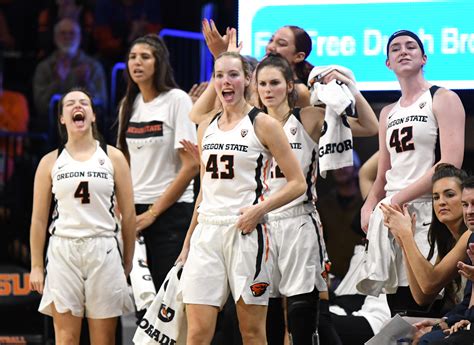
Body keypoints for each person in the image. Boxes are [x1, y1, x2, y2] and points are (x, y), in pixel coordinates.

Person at [177, 51, 307, 345]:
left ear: (248, 79)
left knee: (251, 333)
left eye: (233, 74)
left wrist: (259, 210)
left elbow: (297, 183)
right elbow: (204, 191)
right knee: (196, 333)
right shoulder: (205, 126)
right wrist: (187, 243)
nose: (226, 81)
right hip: (207, 232)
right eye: (219, 75)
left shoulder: (264, 124)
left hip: (246, 232)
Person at [253, 53, 378, 344]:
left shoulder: (308, 117)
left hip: (299, 221)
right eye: (262, 83)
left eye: (275, 82)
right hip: (260, 225)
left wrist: (352, 87)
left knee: (302, 318)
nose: (268, 89)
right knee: (266, 316)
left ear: (289, 86)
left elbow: (370, 127)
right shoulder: (250, 122)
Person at [359, 29, 465, 314]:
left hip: (429, 210)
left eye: (410, 47)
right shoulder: (387, 112)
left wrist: (397, 199)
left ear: (424, 58)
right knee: (399, 309)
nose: (403, 51)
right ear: (387, 63)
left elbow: (450, 164)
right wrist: (369, 205)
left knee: (428, 303)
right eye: (395, 48)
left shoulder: (442, 97)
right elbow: (383, 173)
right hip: (394, 213)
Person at [29, 88, 135, 343]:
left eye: (84, 103)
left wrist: (128, 260)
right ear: (62, 119)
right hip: (63, 249)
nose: (78, 106)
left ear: (93, 115)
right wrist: (36, 266)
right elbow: (38, 219)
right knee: (65, 339)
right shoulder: (50, 162)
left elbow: (129, 215)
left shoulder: (113, 157)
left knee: (104, 340)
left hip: (104, 248)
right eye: (71, 104)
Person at [116, 34, 199, 292]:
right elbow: (123, 164)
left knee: (170, 301)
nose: (136, 62)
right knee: (143, 302)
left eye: (145, 57)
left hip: (170, 213)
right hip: (135, 214)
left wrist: (153, 213)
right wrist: (124, 211)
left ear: (158, 62)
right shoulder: (129, 105)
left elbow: (192, 166)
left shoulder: (177, 100)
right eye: (132, 57)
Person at [32, 18, 107, 133]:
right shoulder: (44, 67)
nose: (67, 37)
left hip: (88, 129)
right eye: (63, 33)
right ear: (55, 38)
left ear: (80, 37)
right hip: (53, 130)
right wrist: (58, 82)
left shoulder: (93, 67)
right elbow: (40, 106)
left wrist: (86, 82)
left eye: (72, 33)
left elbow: (102, 106)